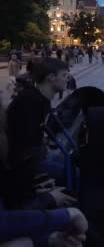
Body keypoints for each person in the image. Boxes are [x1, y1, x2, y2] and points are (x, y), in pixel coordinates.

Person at [4, 58, 77, 209]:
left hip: (31, 158)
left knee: (72, 165)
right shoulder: (31, 102)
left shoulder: (39, 100)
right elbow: (23, 145)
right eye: (64, 75)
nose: (67, 79)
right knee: (75, 173)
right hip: (21, 167)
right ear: (51, 78)